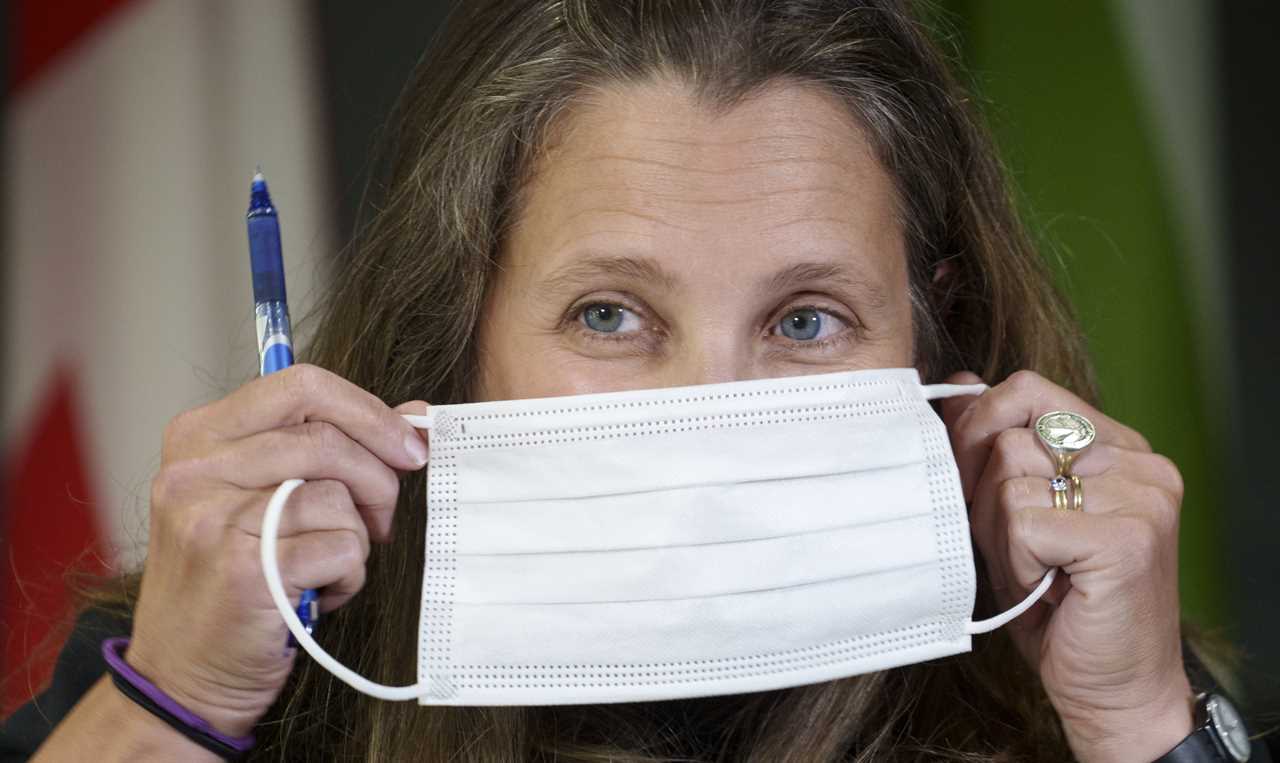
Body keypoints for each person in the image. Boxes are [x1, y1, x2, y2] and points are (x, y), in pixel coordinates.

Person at [2, 0, 1273, 760]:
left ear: (931, 341)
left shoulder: (1089, 688)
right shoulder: (209, 661)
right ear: (461, 331)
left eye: (807, 319)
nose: (705, 402)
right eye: (609, 313)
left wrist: (1137, 725)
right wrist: (175, 706)